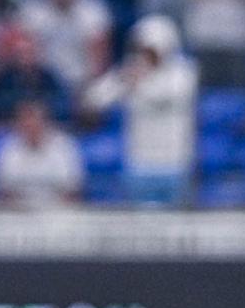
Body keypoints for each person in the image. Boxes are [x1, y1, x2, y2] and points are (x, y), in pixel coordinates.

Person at [83, 15, 198, 206]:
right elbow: (95, 99)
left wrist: (134, 83)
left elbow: (163, 95)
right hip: (139, 164)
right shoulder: (132, 71)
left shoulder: (184, 72)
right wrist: (125, 79)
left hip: (175, 164)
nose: (147, 54)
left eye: (152, 49)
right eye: (143, 49)